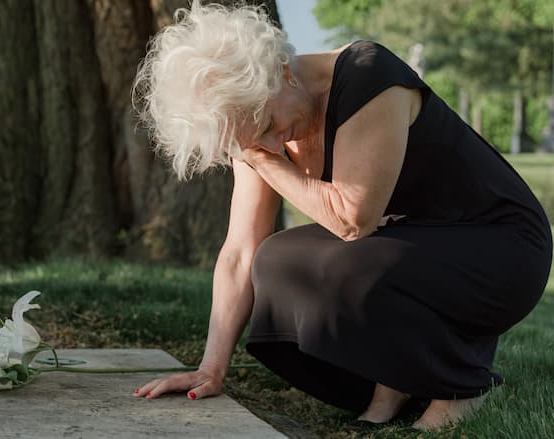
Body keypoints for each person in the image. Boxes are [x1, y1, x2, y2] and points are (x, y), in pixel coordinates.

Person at [130, 1, 552, 431]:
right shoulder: (252, 124)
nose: (271, 146)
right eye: (252, 141)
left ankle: (460, 387)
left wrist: (264, 161)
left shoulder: (368, 75)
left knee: (343, 263)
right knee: (277, 259)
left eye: (266, 126)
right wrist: (211, 368)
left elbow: (353, 220)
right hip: (411, 250)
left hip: (502, 248)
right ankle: (398, 380)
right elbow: (241, 250)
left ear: (283, 71)